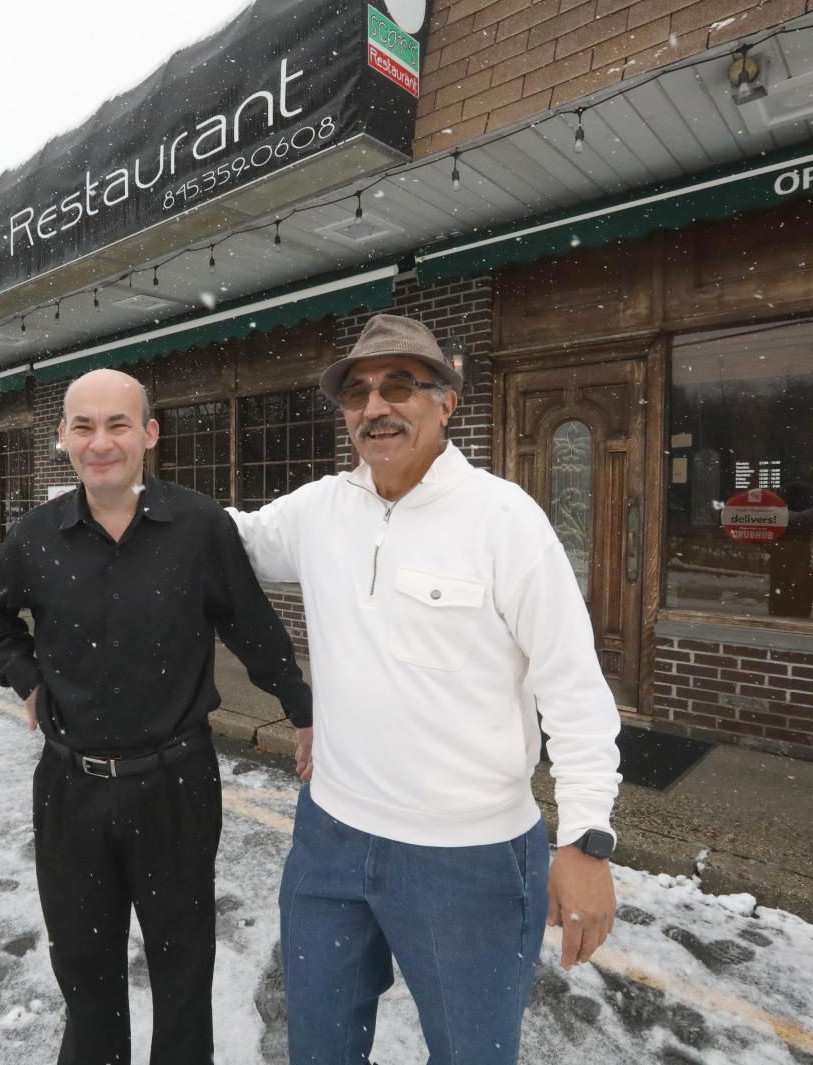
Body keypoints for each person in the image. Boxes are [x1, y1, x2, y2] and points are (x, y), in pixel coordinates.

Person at [229, 314, 622, 1065]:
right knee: (319, 1048)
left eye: (400, 384)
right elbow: (227, 540)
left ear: (447, 400)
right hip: (330, 839)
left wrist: (586, 839)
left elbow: (573, 685)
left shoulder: (506, 520)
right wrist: (120, 494)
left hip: (466, 856)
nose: (375, 406)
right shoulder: (318, 510)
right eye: (357, 392)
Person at [0, 368, 312, 1065]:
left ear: (149, 434)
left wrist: (305, 712)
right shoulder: (35, 539)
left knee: (183, 977)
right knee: (87, 980)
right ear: (63, 436)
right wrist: (28, 679)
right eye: (85, 426)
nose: (102, 442)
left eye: (118, 424)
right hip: (71, 792)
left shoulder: (199, 528)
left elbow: (255, 633)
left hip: (176, 787)